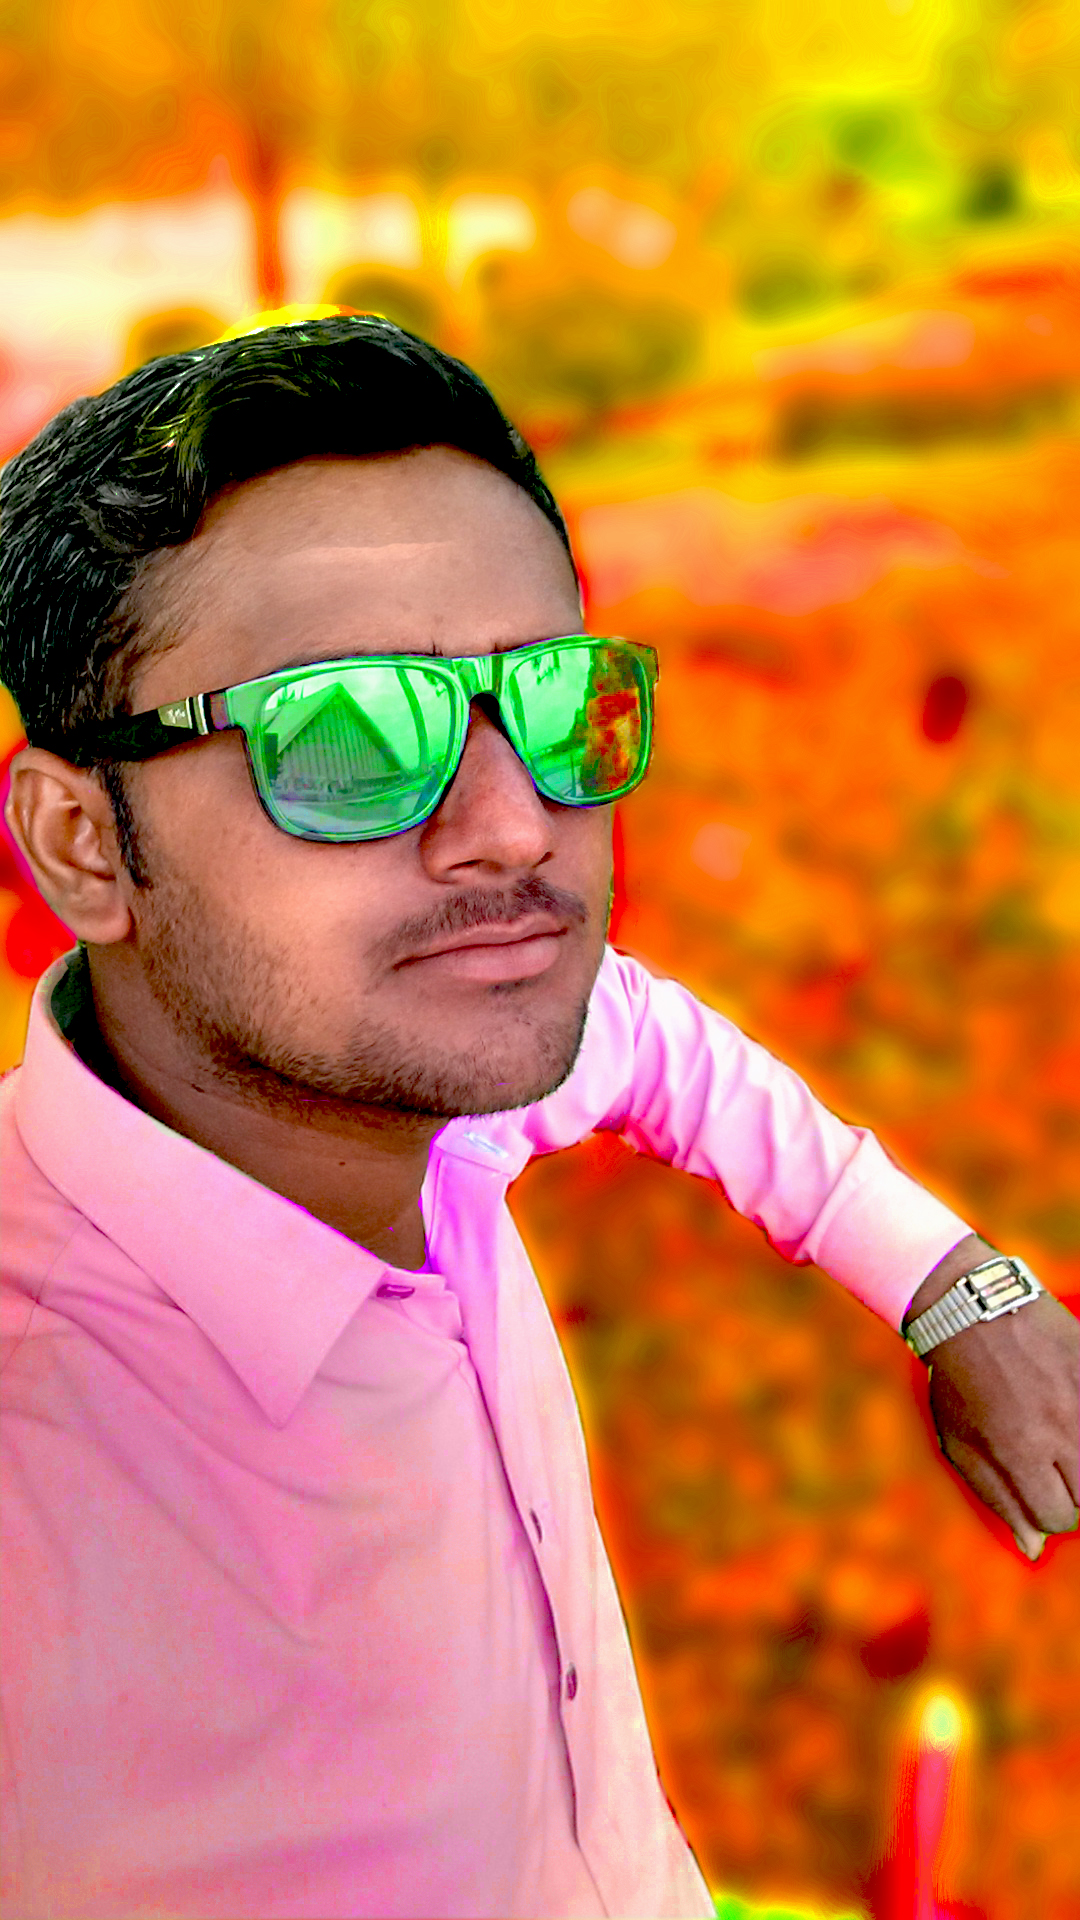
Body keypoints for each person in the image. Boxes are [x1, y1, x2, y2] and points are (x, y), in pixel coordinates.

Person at [0, 311, 1075, 1920]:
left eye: (555, 700)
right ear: (83, 844)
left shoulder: (416, 1069)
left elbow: (646, 1041)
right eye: (343, 738)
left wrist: (954, 1287)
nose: (515, 829)